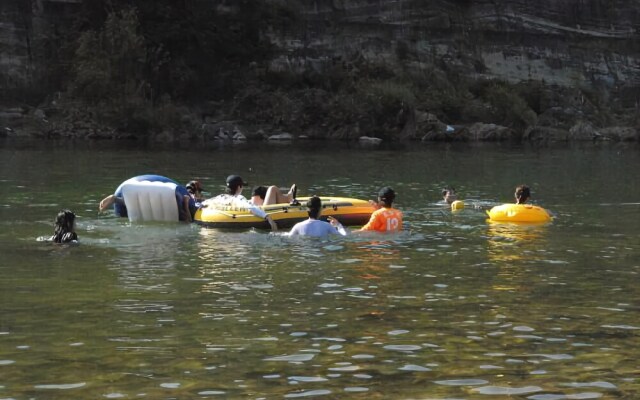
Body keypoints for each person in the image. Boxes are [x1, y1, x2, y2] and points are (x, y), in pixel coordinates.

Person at [99, 175, 195, 222]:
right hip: (175, 206)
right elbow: (189, 222)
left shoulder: (182, 193)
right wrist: (186, 204)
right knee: (182, 212)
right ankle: (115, 199)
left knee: (141, 202)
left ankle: (115, 199)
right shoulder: (191, 198)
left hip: (139, 208)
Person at [208, 175, 278, 230]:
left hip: (221, 218)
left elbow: (205, 202)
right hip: (243, 218)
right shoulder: (238, 198)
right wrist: (268, 218)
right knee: (273, 189)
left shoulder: (221, 197)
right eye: (242, 186)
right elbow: (250, 207)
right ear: (239, 187)